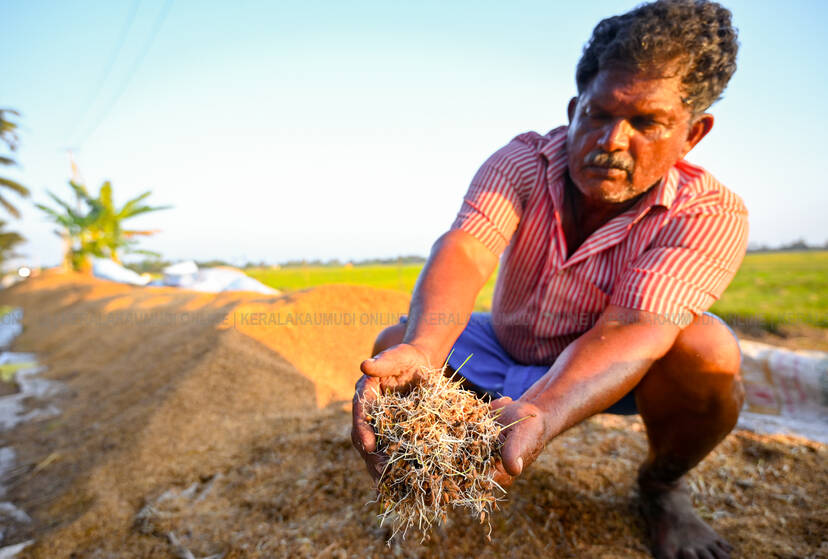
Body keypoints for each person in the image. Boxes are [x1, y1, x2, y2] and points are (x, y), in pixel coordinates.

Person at [352, 1, 747, 557]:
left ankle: (661, 488)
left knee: (708, 350)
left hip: (606, 375)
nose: (611, 141)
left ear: (693, 134)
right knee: (394, 348)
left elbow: (635, 326)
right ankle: (422, 485)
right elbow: (467, 247)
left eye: (646, 123)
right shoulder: (524, 162)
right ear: (574, 106)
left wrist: (542, 409)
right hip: (500, 346)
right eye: (598, 114)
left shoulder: (709, 212)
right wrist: (423, 346)